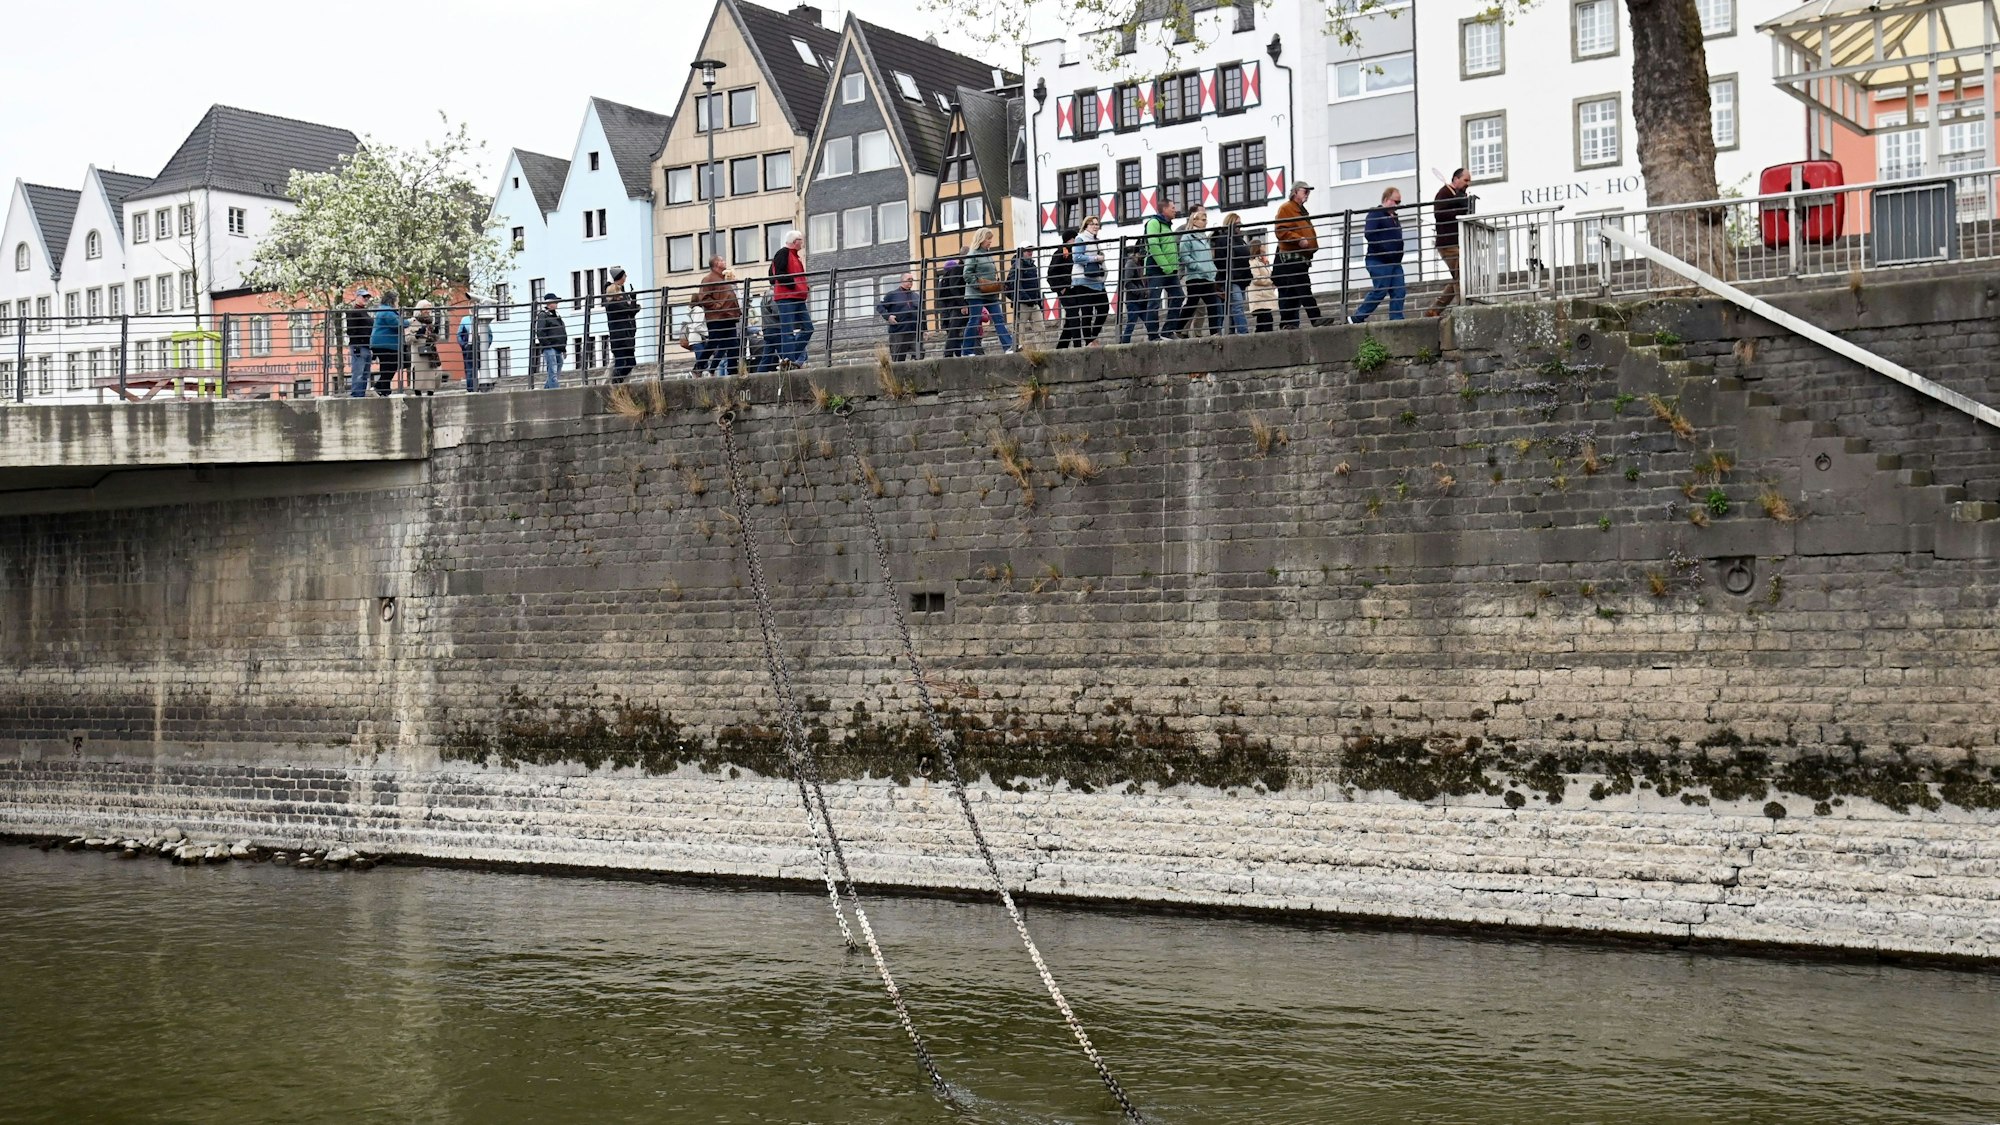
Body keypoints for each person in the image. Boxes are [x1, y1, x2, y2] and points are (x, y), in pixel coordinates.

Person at [1120, 197, 1180, 343]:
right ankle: (1153, 335)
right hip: (1157, 269)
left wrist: (1173, 266)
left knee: (1179, 296)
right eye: (1172, 207)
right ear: (1164, 209)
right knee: (1154, 301)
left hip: (1170, 270)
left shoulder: (1166, 225)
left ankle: (1167, 330)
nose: (1175, 210)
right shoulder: (1154, 223)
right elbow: (1153, 245)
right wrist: (1165, 266)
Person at [1274, 182, 1330, 329]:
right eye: (1305, 191)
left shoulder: (1300, 210)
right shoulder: (1287, 208)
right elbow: (1280, 231)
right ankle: (1315, 318)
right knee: (1304, 288)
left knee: (1293, 290)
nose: (1307, 194)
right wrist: (1298, 239)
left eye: (1308, 191)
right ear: (1295, 192)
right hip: (1293, 256)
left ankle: (1287, 323)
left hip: (1301, 257)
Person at [1352, 186, 1408, 323]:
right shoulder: (1376, 213)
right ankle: (1357, 317)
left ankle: (1396, 319)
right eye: (1395, 202)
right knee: (1380, 290)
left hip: (1394, 261)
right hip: (1379, 260)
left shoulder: (1393, 217)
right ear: (1386, 199)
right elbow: (1369, 234)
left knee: (1399, 291)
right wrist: (1385, 250)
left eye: (1399, 202)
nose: (1397, 205)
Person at [959, 228, 1017, 355]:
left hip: (990, 293)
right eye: (988, 238)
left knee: (999, 318)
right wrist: (979, 285)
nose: (990, 241)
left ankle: (1008, 346)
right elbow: (967, 275)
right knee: (974, 320)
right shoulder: (973, 254)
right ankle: (967, 350)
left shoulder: (987, 254)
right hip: (976, 293)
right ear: (981, 239)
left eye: (991, 238)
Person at [1428, 167, 1475, 317]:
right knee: (1461, 274)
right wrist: (1459, 208)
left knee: (1458, 275)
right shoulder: (1445, 193)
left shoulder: (1457, 194)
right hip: (1448, 243)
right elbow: (1439, 214)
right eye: (1465, 180)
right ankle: (1463, 305)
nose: (1468, 183)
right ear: (1456, 179)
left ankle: (1435, 310)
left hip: (1455, 242)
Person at [1174, 206, 1222, 336]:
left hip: (1207, 277)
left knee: (1212, 305)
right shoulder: (1187, 236)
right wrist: (1198, 266)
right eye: (1203, 219)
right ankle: (1178, 328)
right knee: (1192, 303)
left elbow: (1208, 257)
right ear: (1194, 221)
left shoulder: (1204, 237)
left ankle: (1214, 333)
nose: (1206, 222)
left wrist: (1212, 270)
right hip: (1195, 277)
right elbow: (1184, 256)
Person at [769, 230, 812, 369]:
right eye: (801, 240)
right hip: (788, 297)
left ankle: (789, 358)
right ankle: (788, 359)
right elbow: (777, 274)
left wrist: (801, 286)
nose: (802, 243)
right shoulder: (784, 253)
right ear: (795, 242)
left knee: (808, 328)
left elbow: (774, 274)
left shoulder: (792, 256)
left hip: (796, 296)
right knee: (789, 331)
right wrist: (795, 284)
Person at [694, 256, 742, 375]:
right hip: (718, 317)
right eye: (722, 260)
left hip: (729, 316)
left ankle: (732, 371)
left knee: (732, 343)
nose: (724, 262)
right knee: (714, 342)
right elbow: (704, 298)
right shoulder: (708, 279)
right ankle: (699, 367)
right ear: (716, 264)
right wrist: (718, 306)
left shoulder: (724, 279)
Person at [1068, 215, 1109, 346]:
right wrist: (1095, 258)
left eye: (1097, 224)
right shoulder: (1081, 238)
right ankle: (1089, 341)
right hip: (1083, 280)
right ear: (1086, 226)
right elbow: (1077, 257)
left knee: (1104, 308)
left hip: (1096, 281)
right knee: (1087, 313)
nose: (1096, 226)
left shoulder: (1095, 240)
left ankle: (1092, 337)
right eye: (1093, 224)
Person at [1217, 213, 1252, 335]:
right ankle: (1243, 331)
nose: (1239, 227)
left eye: (1240, 224)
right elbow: (1220, 260)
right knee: (1237, 305)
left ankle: (1229, 332)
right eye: (1237, 224)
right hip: (1232, 278)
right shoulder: (1223, 239)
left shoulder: (1240, 239)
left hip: (1241, 278)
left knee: (1234, 306)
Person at [603, 267, 640, 382]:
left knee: (629, 362)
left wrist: (633, 304)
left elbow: (630, 310)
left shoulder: (618, 303)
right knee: (621, 362)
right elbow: (630, 310)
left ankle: (616, 382)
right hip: (620, 337)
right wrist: (634, 303)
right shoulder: (614, 305)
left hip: (626, 335)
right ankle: (615, 382)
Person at [877, 271, 922, 361]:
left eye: (912, 280)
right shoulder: (892, 295)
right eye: (908, 280)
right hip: (899, 332)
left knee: (919, 355)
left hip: (914, 332)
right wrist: (888, 316)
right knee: (898, 359)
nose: (911, 282)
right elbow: (880, 306)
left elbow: (922, 314)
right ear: (902, 281)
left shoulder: (916, 296)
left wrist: (924, 330)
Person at [1048, 229, 1080, 349]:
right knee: (1074, 317)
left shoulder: (1073, 252)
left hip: (1073, 289)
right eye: (1074, 239)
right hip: (1066, 290)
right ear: (1070, 240)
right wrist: (1061, 288)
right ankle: (1078, 347)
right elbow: (1051, 273)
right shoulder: (1061, 252)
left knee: (1070, 320)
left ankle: (1061, 347)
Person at [406, 300, 445, 395]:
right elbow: (408, 339)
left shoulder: (431, 322)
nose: (428, 311)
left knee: (436, 373)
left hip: (430, 353)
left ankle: (430, 393)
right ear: (420, 309)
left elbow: (435, 338)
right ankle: (417, 394)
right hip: (419, 353)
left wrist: (435, 332)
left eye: (429, 309)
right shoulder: (413, 321)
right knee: (419, 376)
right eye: (425, 309)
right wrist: (418, 333)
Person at [369, 290, 403, 397]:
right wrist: (409, 321)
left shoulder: (383, 309)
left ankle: (384, 390)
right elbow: (397, 324)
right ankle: (379, 387)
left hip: (381, 344)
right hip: (386, 344)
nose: (398, 303)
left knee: (386, 367)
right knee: (391, 365)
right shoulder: (387, 311)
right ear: (392, 301)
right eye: (397, 300)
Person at [345, 287, 374, 398]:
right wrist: (356, 345)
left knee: (364, 373)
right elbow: (351, 330)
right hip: (359, 345)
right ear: (357, 297)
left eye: (367, 297)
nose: (366, 299)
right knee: (359, 372)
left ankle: (360, 394)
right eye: (364, 297)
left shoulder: (364, 312)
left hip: (366, 346)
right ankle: (356, 395)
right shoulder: (354, 312)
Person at [533, 293, 567, 389]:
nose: (556, 304)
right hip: (550, 347)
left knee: (556, 370)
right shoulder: (543, 315)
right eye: (554, 302)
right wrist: (547, 344)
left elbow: (561, 332)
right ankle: (555, 391)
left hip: (558, 347)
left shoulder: (556, 316)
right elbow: (540, 331)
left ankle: (546, 390)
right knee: (553, 370)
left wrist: (563, 349)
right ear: (549, 303)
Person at [1007, 245, 1041, 337]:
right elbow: (1013, 285)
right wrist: (1024, 298)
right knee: (1019, 331)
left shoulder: (1033, 266)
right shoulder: (1016, 266)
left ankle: (1042, 350)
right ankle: (1019, 349)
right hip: (1022, 303)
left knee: (1040, 329)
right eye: (1027, 250)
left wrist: (1038, 299)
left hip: (1033, 302)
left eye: (1031, 250)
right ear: (1022, 252)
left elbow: (1036, 284)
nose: (1030, 252)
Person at [935, 258, 967, 357]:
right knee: (955, 331)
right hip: (955, 308)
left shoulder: (943, 282)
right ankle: (950, 353)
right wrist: (962, 304)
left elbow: (941, 301)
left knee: (955, 332)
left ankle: (955, 354)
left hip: (949, 311)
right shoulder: (953, 277)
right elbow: (953, 292)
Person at [1246, 235, 1278, 333]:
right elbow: (1256, 278)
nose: (1264, 246)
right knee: (1267, 319)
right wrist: (1271, 281)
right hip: (1259, 296)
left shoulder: (1263, 261)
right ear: (1258, 247)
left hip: (1265, 296)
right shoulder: (1253, 262)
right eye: (1262, 245)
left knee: (1261, 322)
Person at [457, 302, 490, 391]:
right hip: (469, 348)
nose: (472, 309)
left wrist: (485, 346)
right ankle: (471, 389)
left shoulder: (482, 319)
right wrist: (464, 345)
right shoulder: (465, 320)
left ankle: (484, 387)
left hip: (480, 347)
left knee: (482, 367)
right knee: (469, 370)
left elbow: (489, 334)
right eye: (471, 307)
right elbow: (459, 335)